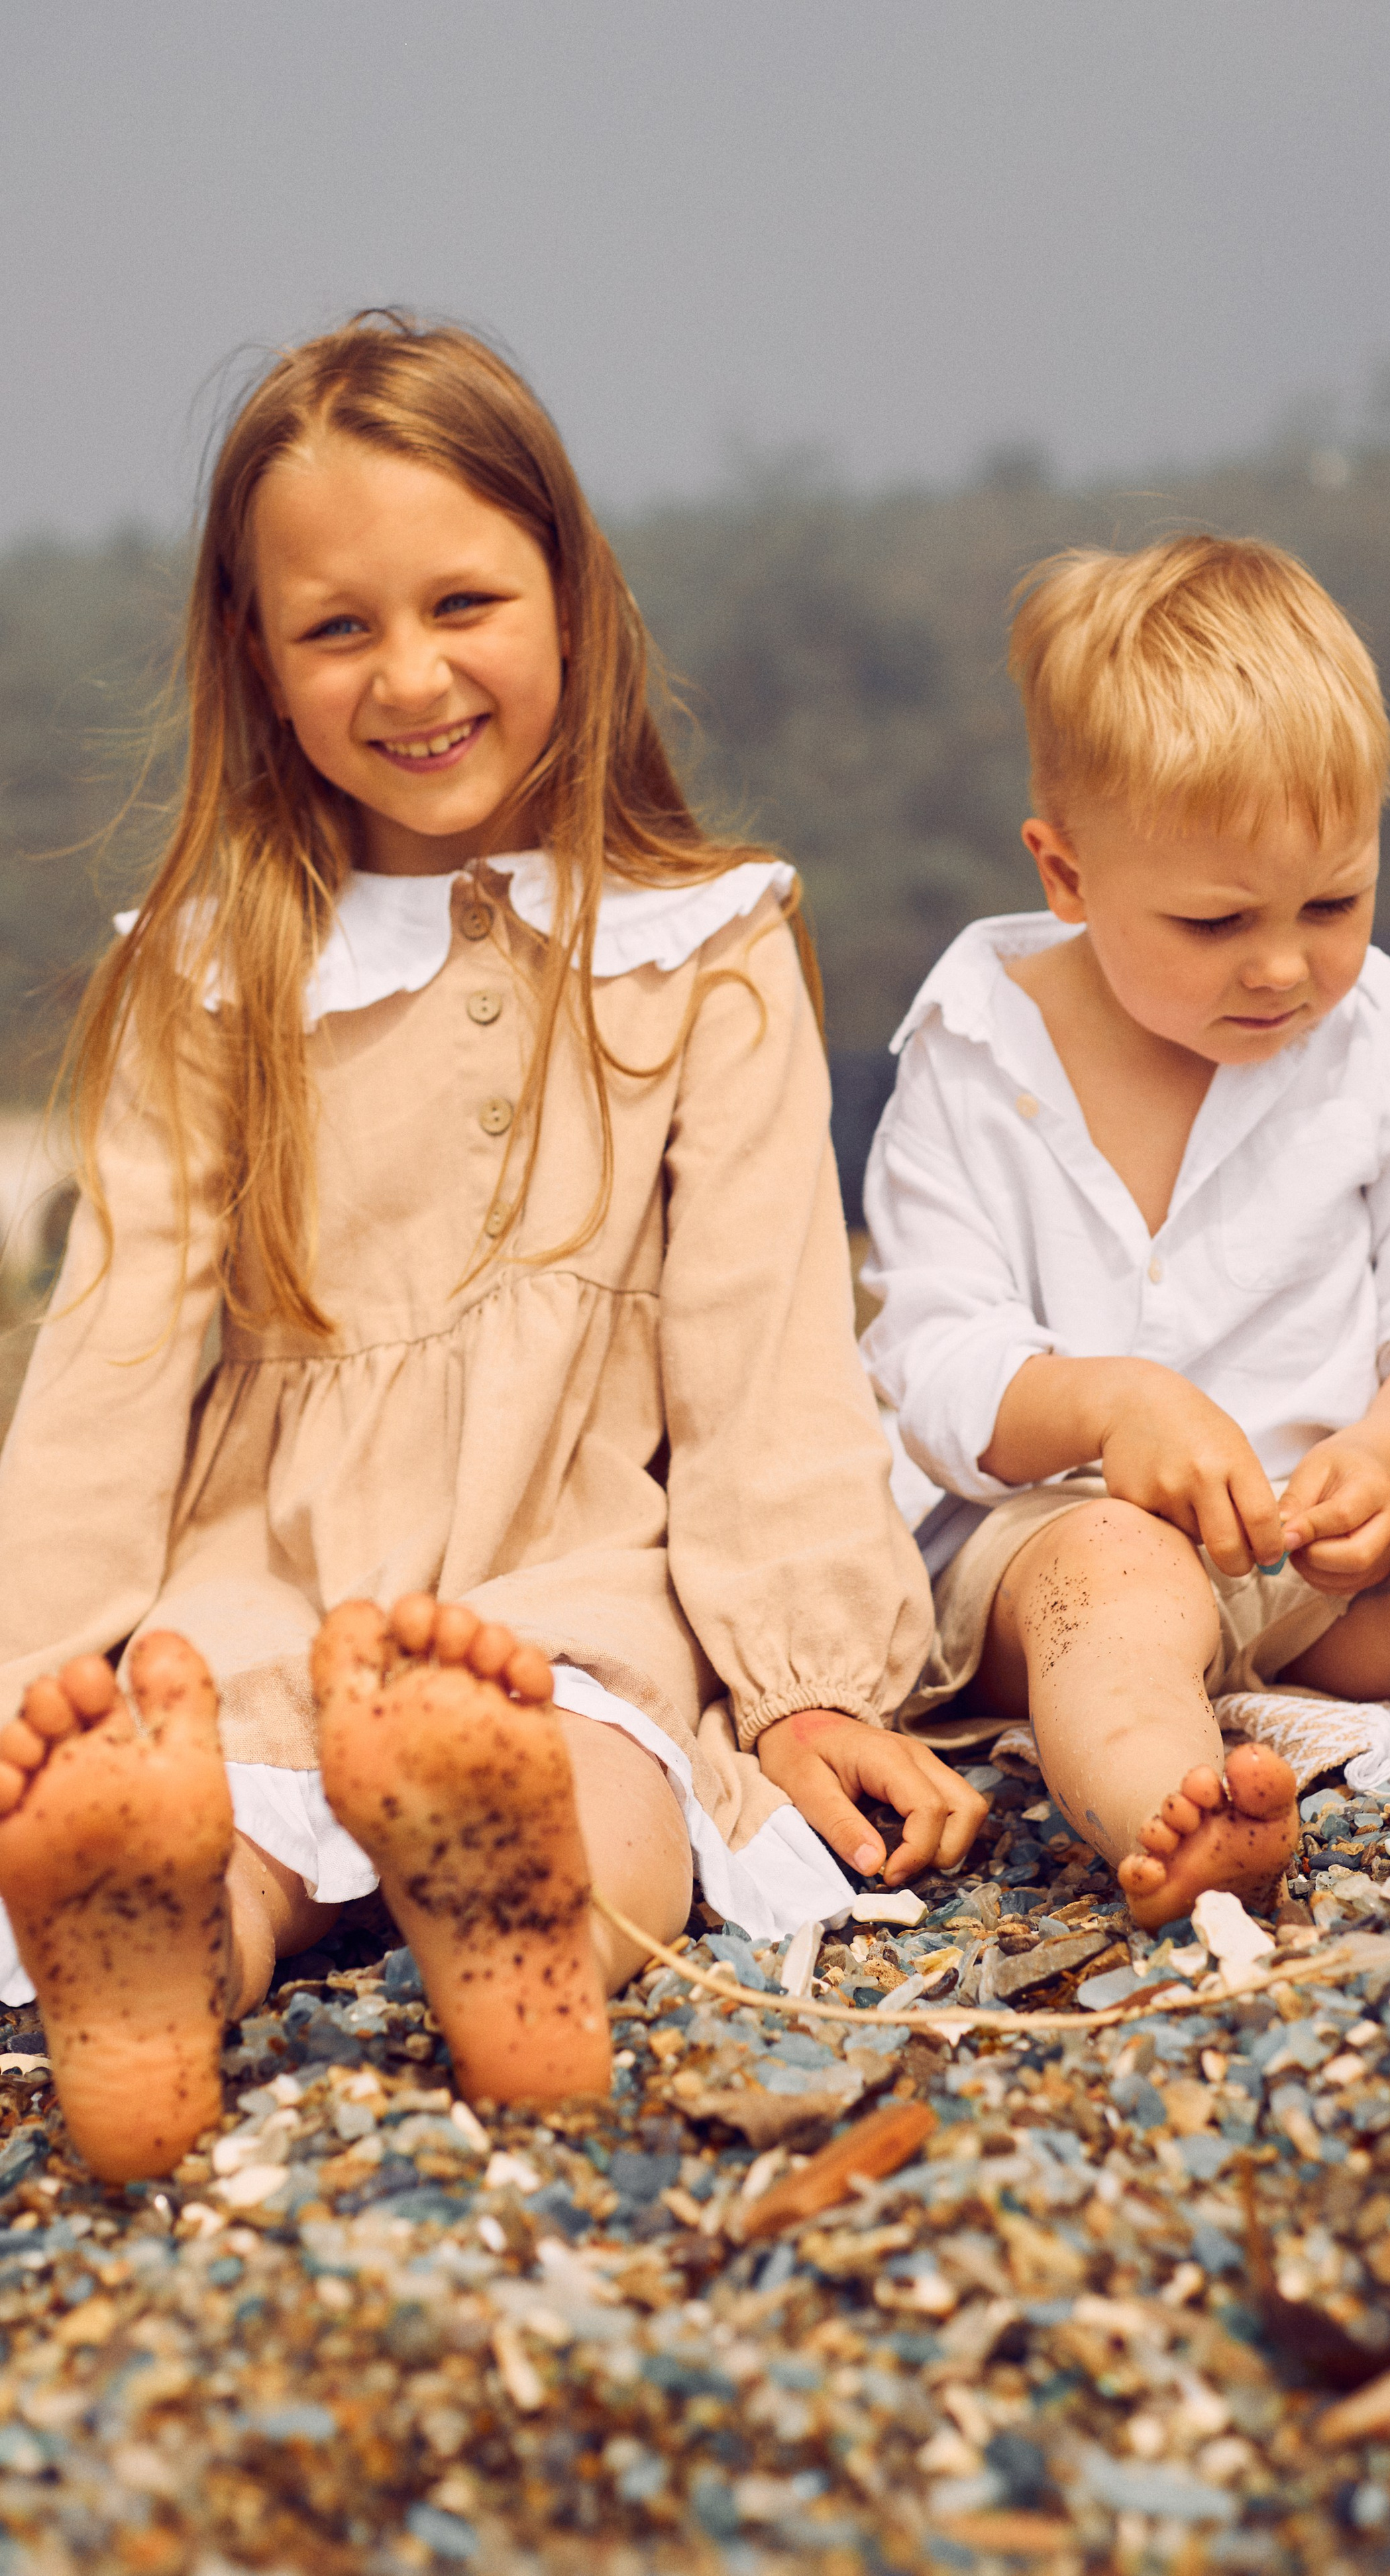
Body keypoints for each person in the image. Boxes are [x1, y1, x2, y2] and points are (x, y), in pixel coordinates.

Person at [0, 314, 985, 2183]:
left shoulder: (702, 952)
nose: (414, 674)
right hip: (261, 1573)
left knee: (593, 1781)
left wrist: (804, 1682)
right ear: (254, 658)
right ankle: (160, 1951)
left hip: (569, 1569)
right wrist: (32, 1683)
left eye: (464, 602)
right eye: (340, 627)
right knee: (221, 1808)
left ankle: (516, 1931)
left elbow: (763, 1350)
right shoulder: (208, 972)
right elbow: (114, 1360)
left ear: (570, 600)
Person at [862, 534, 1390, 1931]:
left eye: (1332, 899)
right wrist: (1107, 1402)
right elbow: (933, 1366)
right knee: (1114, 1595)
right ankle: (1180, 1816)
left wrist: (1385, 1458)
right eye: (1211, 921)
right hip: (1072, 1534)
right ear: (1065, 876)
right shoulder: (969, 1054)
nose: (1282, 962)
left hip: (1341, 1573)